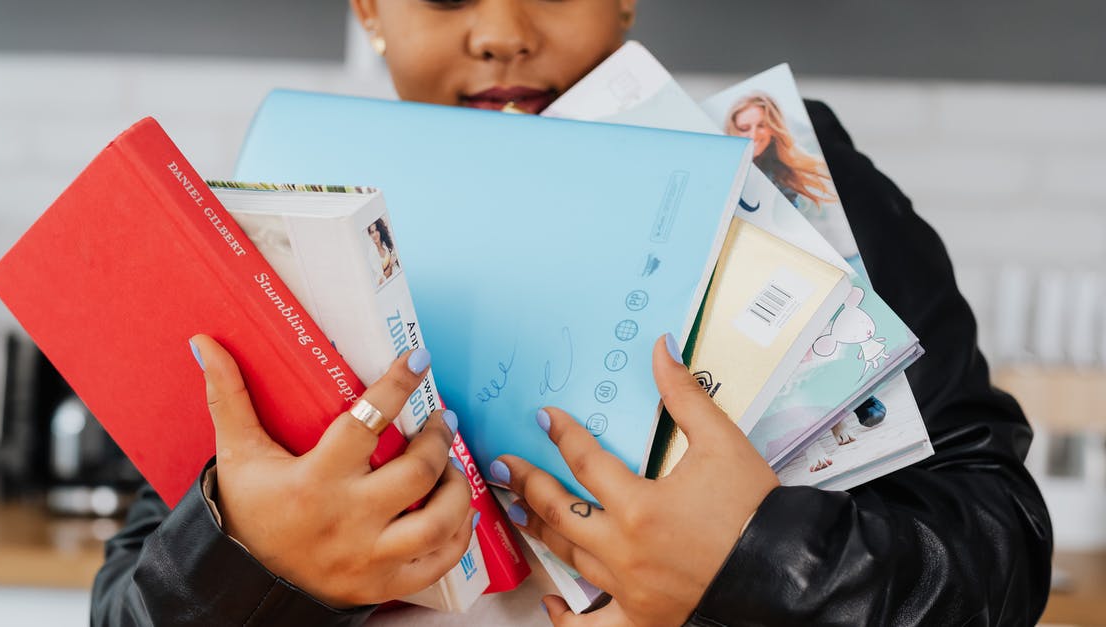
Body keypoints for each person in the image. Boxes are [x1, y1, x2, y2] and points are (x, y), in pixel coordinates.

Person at [91, 1, 1053, 625]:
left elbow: (998, 540)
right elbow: (126, 606)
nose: (504, 30)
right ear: (370, 11)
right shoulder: (285, 253)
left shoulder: (790, 182)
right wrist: (251, 554)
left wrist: (757, 564)